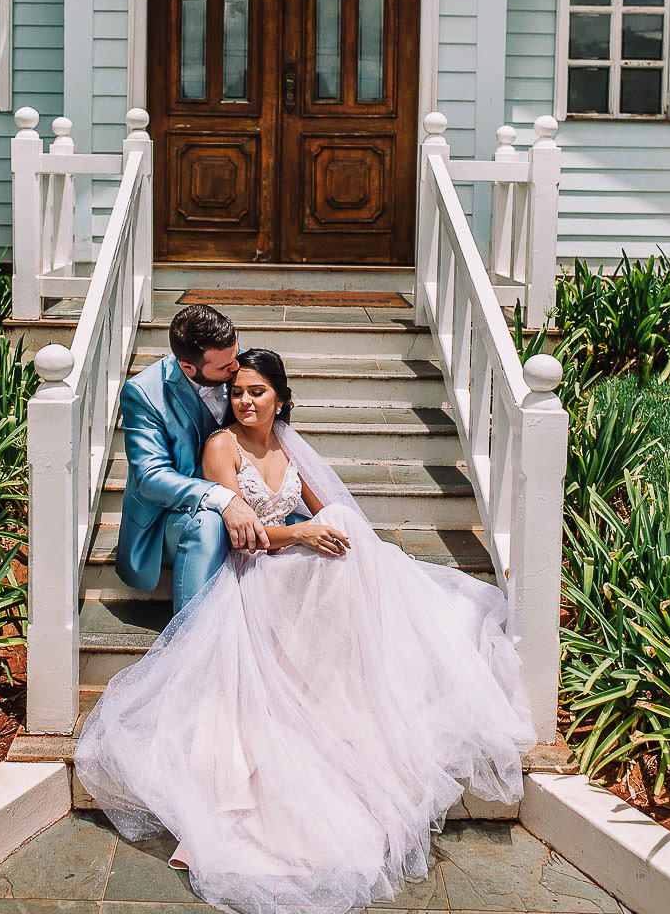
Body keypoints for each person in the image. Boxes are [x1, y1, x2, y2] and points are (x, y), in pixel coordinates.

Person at [78, 348, 536, 914]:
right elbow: (244, 529)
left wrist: (336, 535)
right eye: (239, 392)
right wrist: (300, 537)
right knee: (326, 541)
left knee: (343, 525)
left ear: (279, 398)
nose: (244, 401)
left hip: (291, 560)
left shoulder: (289, 444)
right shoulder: (221, 447)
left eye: (257, 392)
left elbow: (328, 511)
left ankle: (356, 674)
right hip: (255, 569)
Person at [115, 304, 270, 612]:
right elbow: (150, 477)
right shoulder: (143, 393)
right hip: (169, 519)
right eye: (224, 367)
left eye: (235, 355)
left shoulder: (234, 364)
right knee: (207, 524)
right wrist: (222, 499)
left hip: (242, 494)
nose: (235, 368)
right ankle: (190, 642)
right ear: (188, 367)